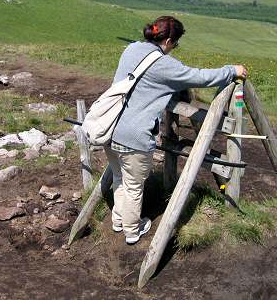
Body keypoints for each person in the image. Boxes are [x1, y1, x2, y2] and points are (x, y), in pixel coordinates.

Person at [104, 16, 247, 245]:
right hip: (134, 136)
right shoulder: (165, 65)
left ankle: (118, 220)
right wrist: (232, 70)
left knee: (120, 176)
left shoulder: (131, 49)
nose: (175, 48)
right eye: (176, 43)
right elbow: (200, 77)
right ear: (169, 40)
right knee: (133, 186)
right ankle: (132, 231)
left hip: (109, 127)